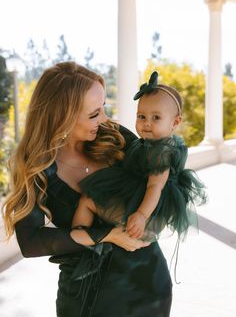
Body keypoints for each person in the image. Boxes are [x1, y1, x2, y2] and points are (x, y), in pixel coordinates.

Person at [2, 62, 173, 317]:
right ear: (62, 117)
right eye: (94, 114)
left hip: (149, 286)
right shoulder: (35, 168)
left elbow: (161, 180)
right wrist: (109, 234)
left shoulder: (116, 136)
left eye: (102, 107)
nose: (104, 119)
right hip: (87, 300)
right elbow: (31, 243)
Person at [73, 71, 207, 243]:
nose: (147, 123)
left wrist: (142, 216)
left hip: (144, 208)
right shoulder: (144, 144)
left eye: (156, 117)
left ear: (175, 122)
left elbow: (155, 187)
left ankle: (78, 240)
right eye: (141, 116)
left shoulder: (162, 152)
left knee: (88, 200)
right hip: (136, 198)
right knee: (90, 200)